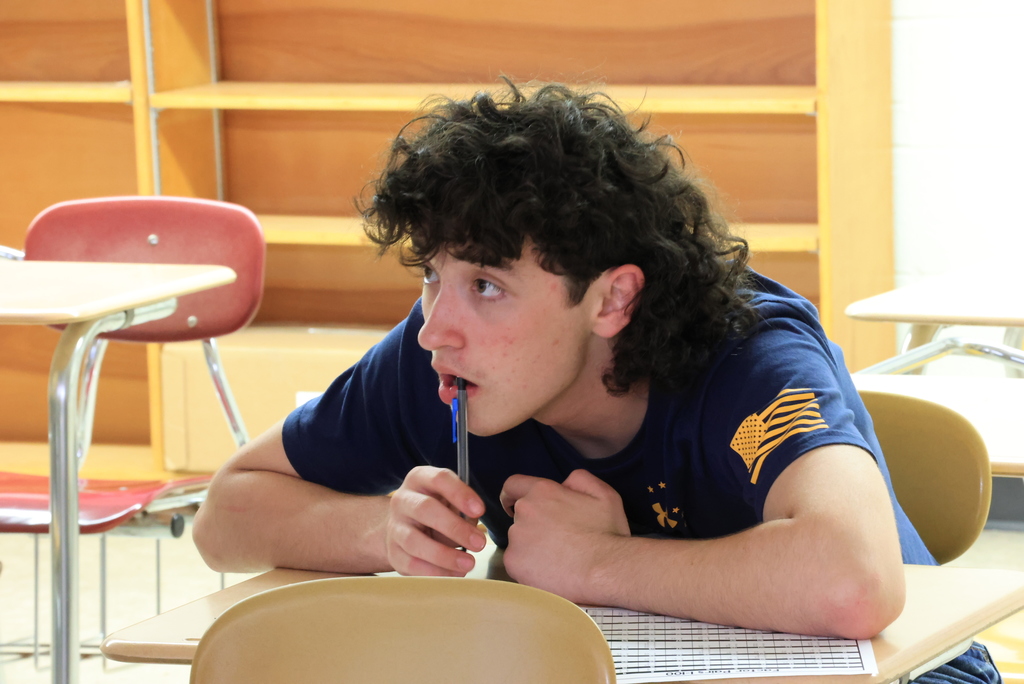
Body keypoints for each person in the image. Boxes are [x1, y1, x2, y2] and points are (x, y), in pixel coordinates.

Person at [192, 80, 999, 682]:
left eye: (486, 285)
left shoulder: (748, 354)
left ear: (612, 297)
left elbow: (853, 582)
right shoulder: (444, 355)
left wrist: (594, 564)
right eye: (432, 275)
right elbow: (226, 514)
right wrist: (381, 531)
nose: (436, 325)